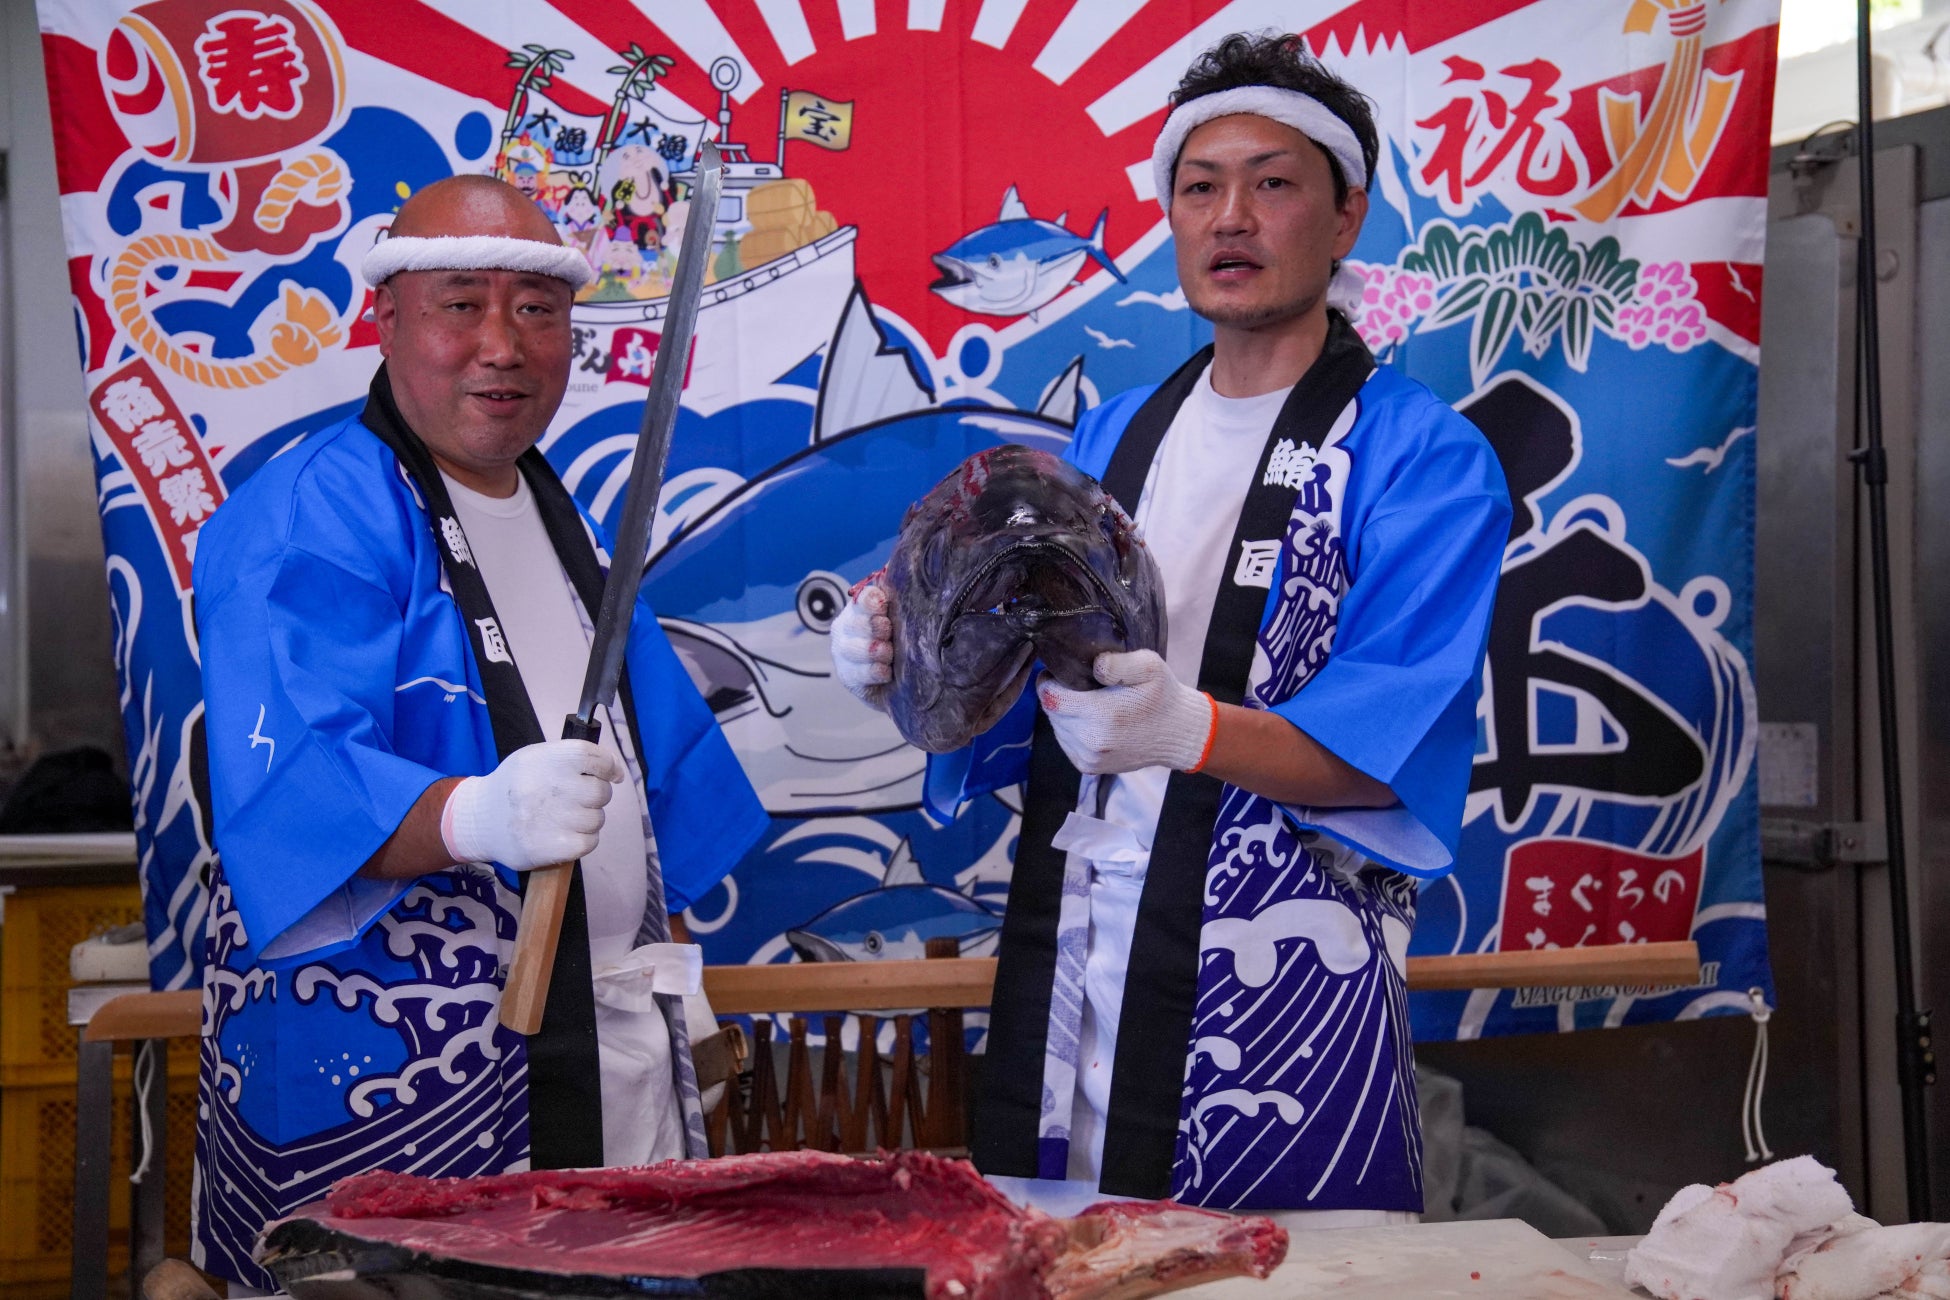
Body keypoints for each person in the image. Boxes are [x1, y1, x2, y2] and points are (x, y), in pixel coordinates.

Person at [833, 34, 1510, 1223]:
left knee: (1285, 1270)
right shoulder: (1112, 438)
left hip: (1278, 970)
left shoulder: (1425, 458)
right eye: (1200, 186)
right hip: (1075, 955)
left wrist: (1184, 727)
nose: (1231, 216)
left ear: (1348, 216)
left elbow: (1379, 749)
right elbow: (1024, 691)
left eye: (1274, 181)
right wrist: (907, 664)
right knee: (1056, 1253)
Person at [189, 175, 766, 1290]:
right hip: (412, 1087)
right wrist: (477, 812)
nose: (503, 344)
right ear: (387, 318)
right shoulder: (308, 510)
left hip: (607, 1055)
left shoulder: (564, 520)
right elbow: (288, 783)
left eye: (537, 311)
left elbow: (653, 781)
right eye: (462, 304)